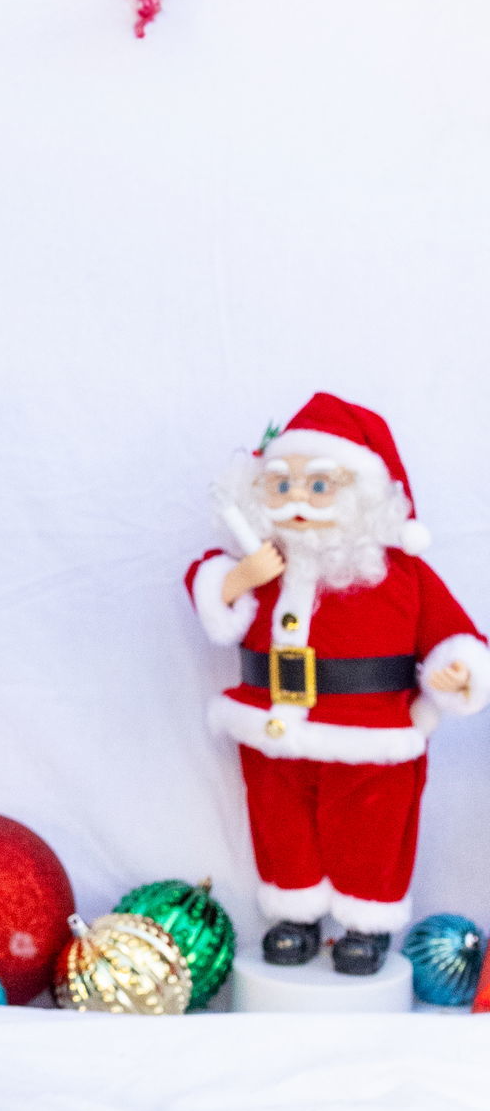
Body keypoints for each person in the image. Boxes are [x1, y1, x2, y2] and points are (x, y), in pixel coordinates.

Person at [187, 393, 490, 972]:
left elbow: (456, 636)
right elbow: (212, 593)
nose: (297, 500)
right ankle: (294, 913)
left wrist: (455, 673)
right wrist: (238, 579)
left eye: (319, 486)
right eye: (282, 486)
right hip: (273, 722)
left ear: (365, 495)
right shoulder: (262, 563)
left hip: (370, 734)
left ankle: (364, 923)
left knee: (371, 830)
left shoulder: (403, 575)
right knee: (280, 822)